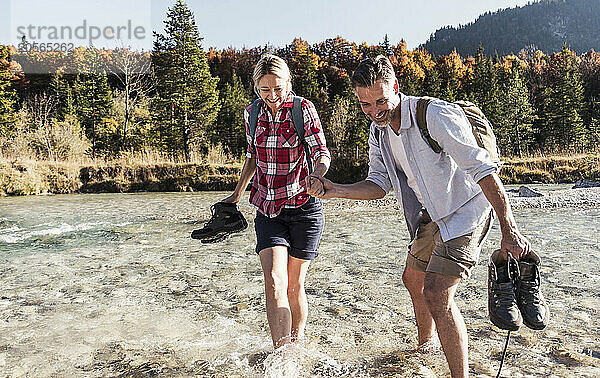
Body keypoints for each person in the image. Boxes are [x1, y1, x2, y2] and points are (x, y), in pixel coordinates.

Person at [310, 56, 530, 378]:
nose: (375, 111)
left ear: (396, 87)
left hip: (468, 209)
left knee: (437, 293)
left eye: (381, 101)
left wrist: (508, 229)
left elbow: (483, 169)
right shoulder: (379, 132)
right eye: (366, 105)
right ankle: (424, 349)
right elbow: (379, 184)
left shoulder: (434, 114)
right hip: (433, 215)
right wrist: (334, 190)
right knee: (412, 279)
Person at [222, 54, 330, 349]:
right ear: (256, 86)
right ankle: (283, 356)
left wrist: (317, 177)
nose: (272, 97)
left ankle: (299, 342)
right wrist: (236, 195)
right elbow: (252, 157)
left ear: (288, 83)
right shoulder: (252, 113)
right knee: (273, 281)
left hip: (304, 208)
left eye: (278, 89)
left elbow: (322, 152)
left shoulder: (302, 109)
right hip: (267, 209)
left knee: (294, 286)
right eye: (264, 90)